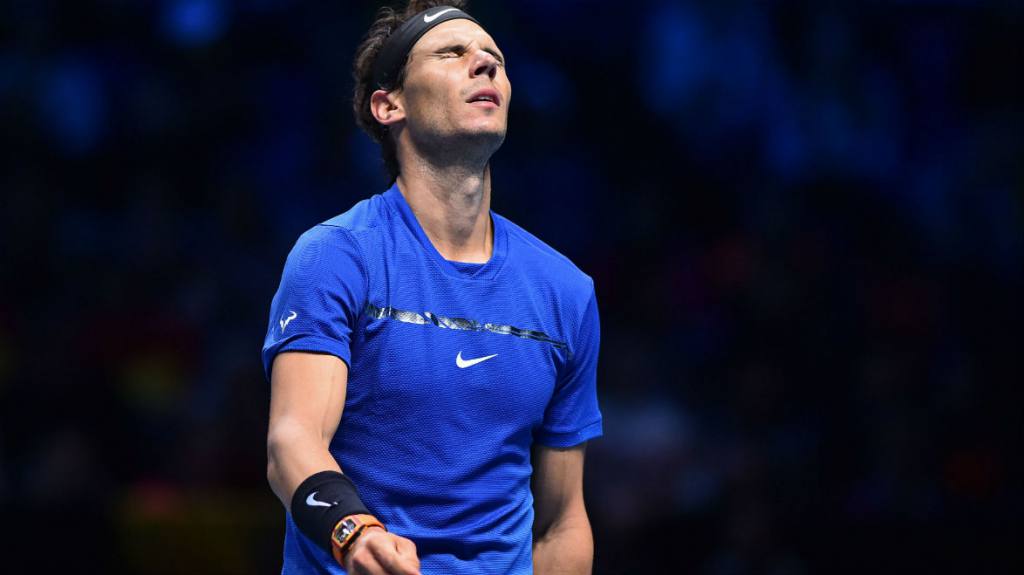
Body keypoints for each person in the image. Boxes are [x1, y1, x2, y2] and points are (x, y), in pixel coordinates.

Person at [262, 2, 602, 573]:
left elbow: (560, 522)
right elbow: (292, 441)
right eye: (452, 53)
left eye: (495, 58)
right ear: (389, 105)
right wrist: (353, 533)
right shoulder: (337, 256)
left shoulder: (565, 291)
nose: (484, 65)